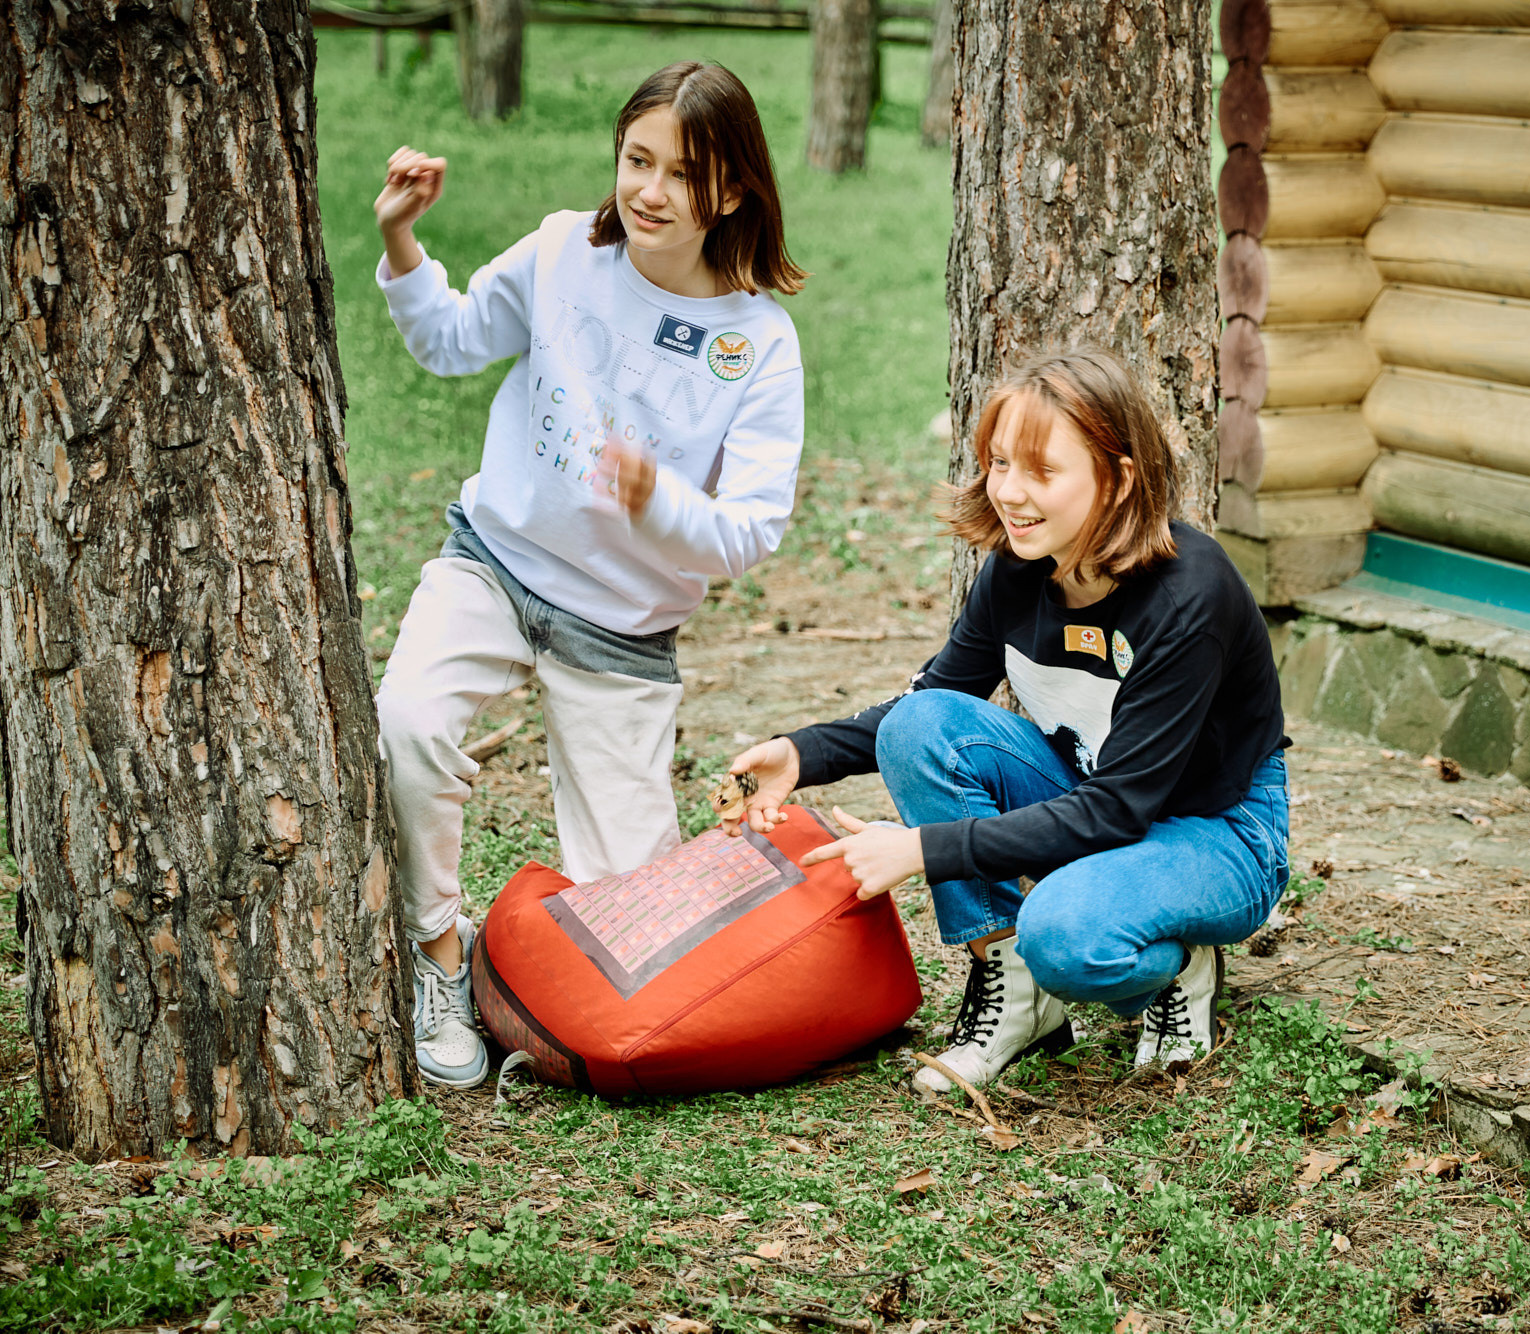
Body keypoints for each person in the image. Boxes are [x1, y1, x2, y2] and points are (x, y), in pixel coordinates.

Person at [371, 61, 808, 1088]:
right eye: (635, 160)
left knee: (638, 922)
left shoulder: (759, 344)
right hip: (496, 562)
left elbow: (749, 530)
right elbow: (448, 340)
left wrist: (658, 497)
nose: (648, 191)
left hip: (619, 627)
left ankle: (532, 1005)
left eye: (682, 173)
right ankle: (440, 953)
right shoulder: (564, 249)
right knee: (408, 726)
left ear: (733, 190)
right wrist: (400, 238)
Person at [723, 350, 1289, 1092]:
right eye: (998, 464)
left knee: (1064, 935)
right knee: (918, 729)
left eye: (1042, 472)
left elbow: (1120, 809)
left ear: (1116, 476)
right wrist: (803, 754)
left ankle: (1180, 963)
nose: (1011, 494)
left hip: (1219, 828)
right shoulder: (1022, 566)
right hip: (1095, 794)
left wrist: (926, 849)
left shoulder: (1190, 597)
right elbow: (934, 702)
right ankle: (1016, 992)